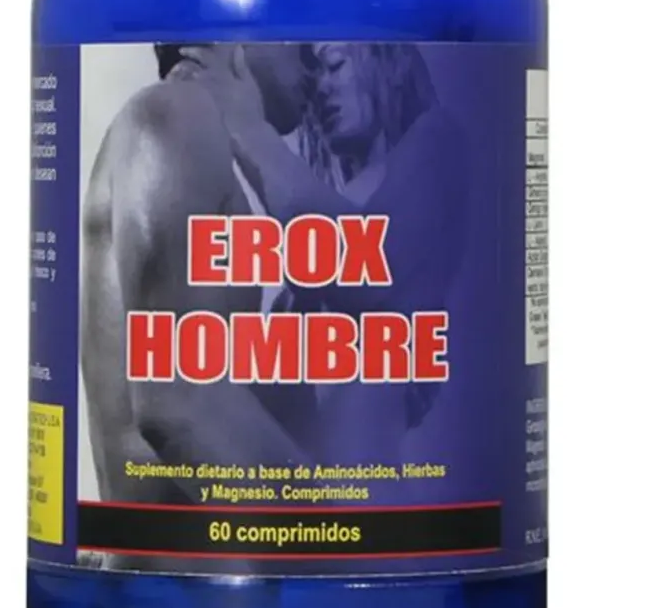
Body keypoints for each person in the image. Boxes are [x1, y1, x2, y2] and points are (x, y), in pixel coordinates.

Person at [203, 41, 470, 458]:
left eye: (335, 65)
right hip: (309, 476)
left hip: (374, 474)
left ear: (392, 63)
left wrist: (246, 125)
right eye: (313, 78)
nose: (320, 88)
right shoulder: (341, 195)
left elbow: (365, 265)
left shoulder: (436, 139)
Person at [81, 43, 316, 504]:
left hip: (174, 546)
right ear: (235, 39)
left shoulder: (191, 136)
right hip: (177, 551)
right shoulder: (178, 111)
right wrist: (346, 521)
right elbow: (180, 402)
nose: (315, 59)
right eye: (303, 41)